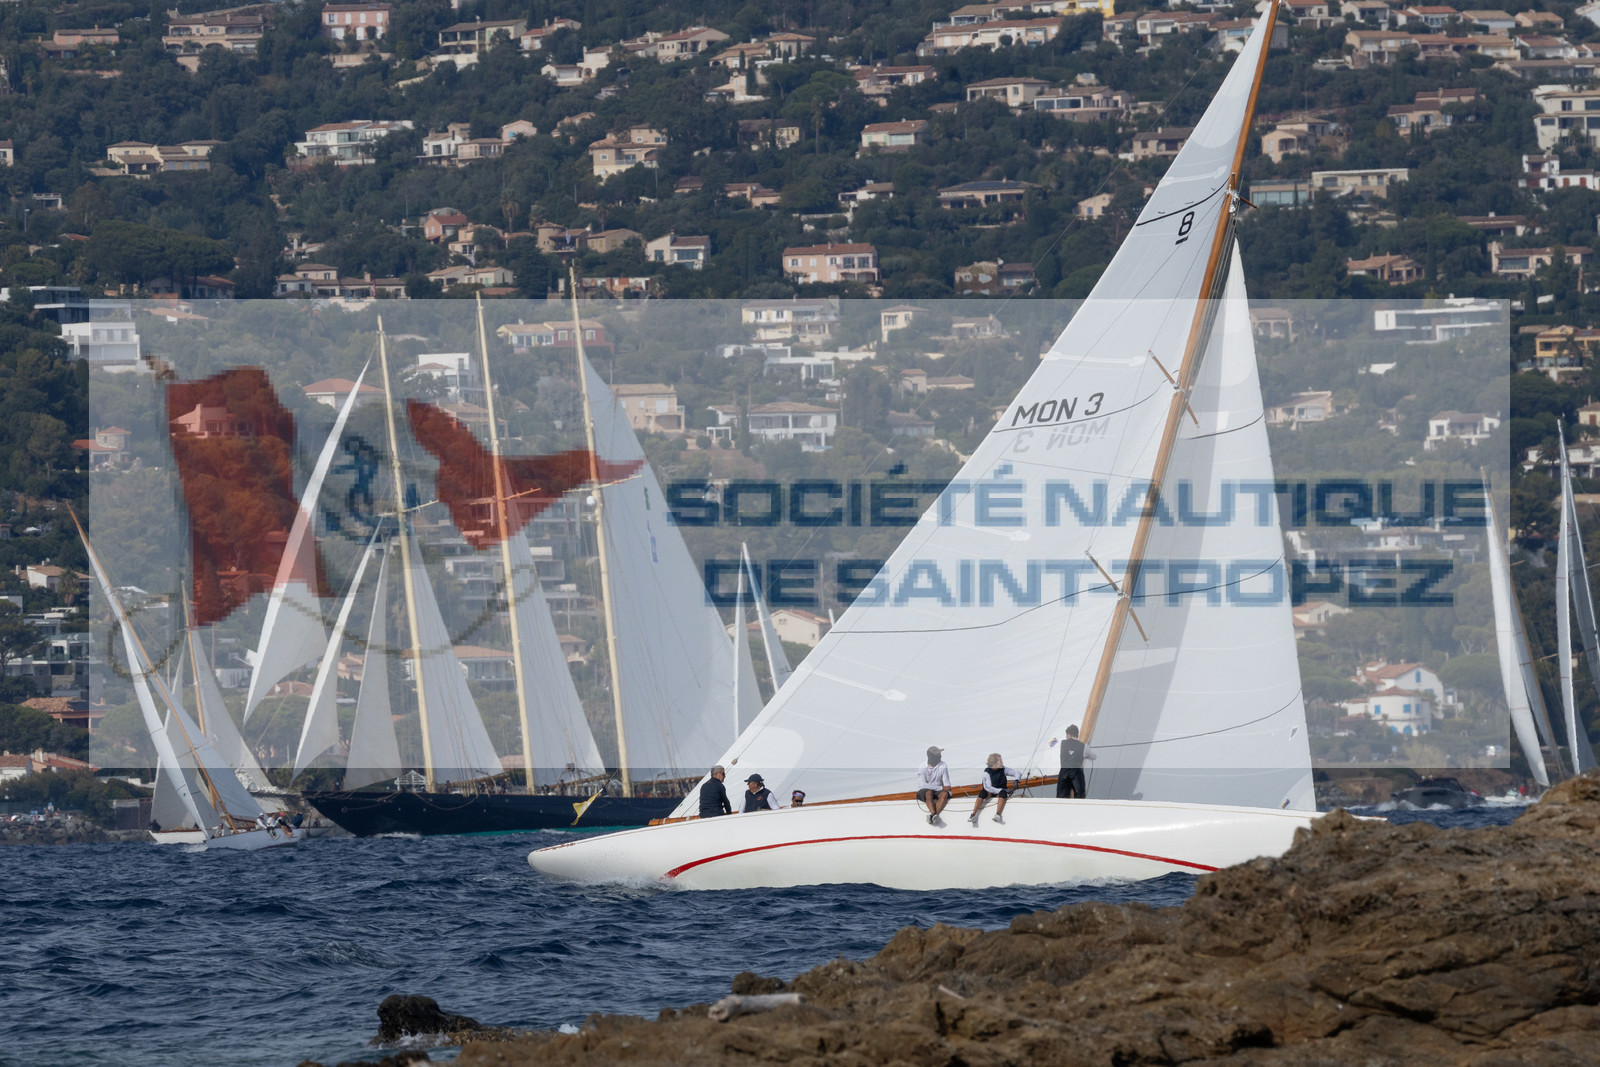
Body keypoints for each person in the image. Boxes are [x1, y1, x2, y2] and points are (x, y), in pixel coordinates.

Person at [969, 753, 1019, 825]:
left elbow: (1017, 773)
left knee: (1003, 794)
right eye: (1000, 761)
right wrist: (1003, 790)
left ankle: (998, 815)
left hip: (1000, 792)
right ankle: (973, 815)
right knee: (982, 793)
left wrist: (1016, 780)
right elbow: (988, 788)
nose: (1002, 762)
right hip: (990, 792)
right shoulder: (987, 772)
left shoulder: (1003, 769)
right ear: (994, 763)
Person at [1055, 724, 1096, 799]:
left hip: (1064, 773)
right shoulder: (1084, 746)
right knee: (1079, 796)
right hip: (1077, 773)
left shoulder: (1062, 744)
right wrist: (1085, 756)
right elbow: (1094, 757)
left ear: (1068, 735)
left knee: (1061, 797)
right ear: (1077, 735)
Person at [916, 746, 952, 825]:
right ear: (932, 757)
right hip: (924, 790)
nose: (940, 756)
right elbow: (923, 785)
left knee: (944, 794)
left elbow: (946, 784)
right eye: (938, 754)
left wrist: (948, 791)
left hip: (937, 791)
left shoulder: (943, 765)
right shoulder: (922, 766)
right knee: (929, 792)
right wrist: (941, 787)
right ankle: (933, 814)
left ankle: (934, 816)